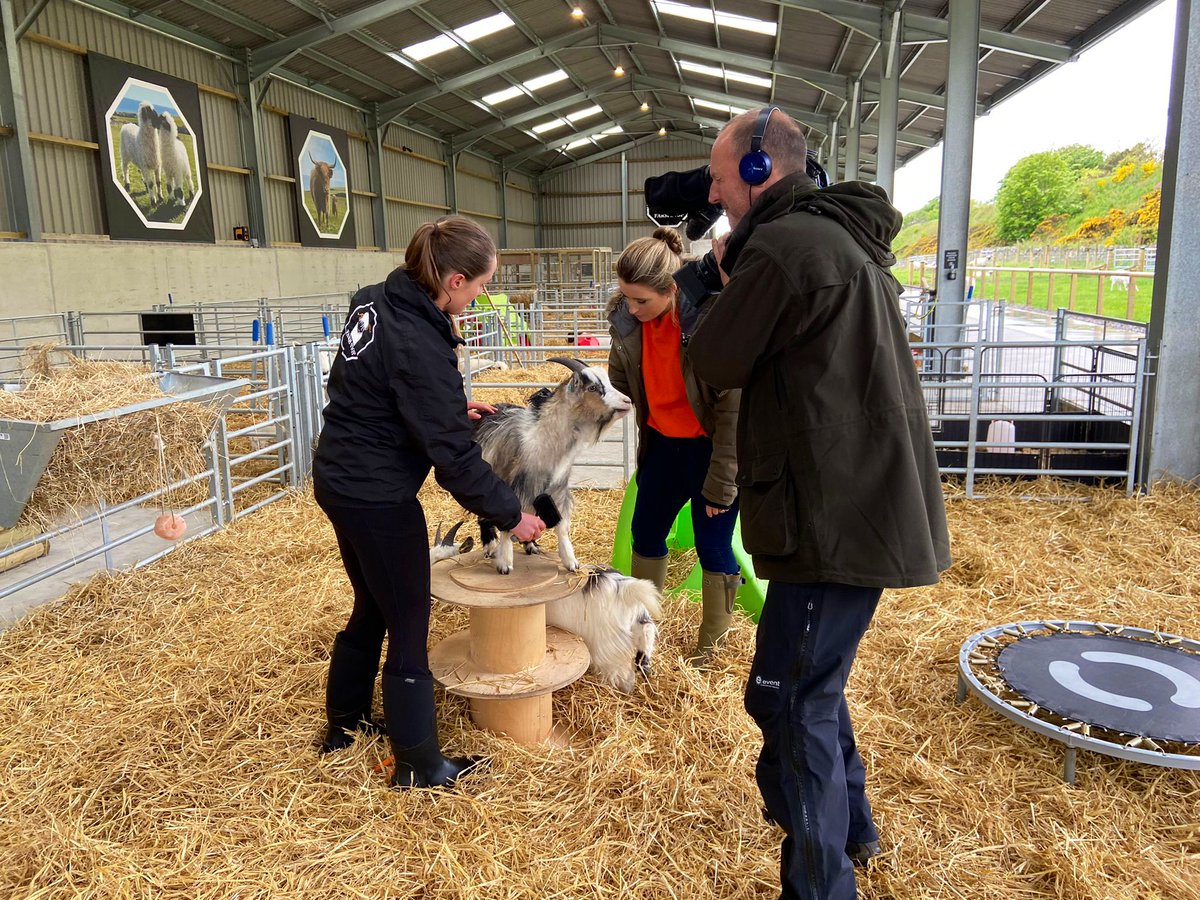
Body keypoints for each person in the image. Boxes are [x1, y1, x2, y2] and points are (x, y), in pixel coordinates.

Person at [689, 107, 950, 899]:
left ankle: (821, 884)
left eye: (720, 177)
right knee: (806, 687)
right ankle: (854, 830)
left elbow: (715, 359)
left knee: (788, 699)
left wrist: (714, 281)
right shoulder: (834, 234)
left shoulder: (784, 246)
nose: (713, 193)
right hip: (853, 500)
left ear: (760, 170)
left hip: (831, 513)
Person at [312, 215, 546, 790]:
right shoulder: (420, 338)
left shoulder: (375, 300)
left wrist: (444, 411)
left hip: (339, 475)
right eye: (480, 285)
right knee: (409, 620)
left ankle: (345, 722)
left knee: (373, 603)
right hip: (377, 494)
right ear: (454, 280)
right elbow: (456, 465)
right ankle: (419, 764)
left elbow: (373, 387)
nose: (480, 296)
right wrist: (512, 515)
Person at [606, 227, 742, 663]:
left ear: (670, 289)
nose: (631, 308)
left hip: (709, 451)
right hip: (662, 446)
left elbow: (732, 410)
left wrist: (723, 483)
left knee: (714, 546)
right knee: (645, 534)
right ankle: (644, 631)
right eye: (626, 297)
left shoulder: (708, 320)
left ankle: (712, 647)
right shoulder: (628, 322)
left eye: (641, 300)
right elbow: (620, 377)